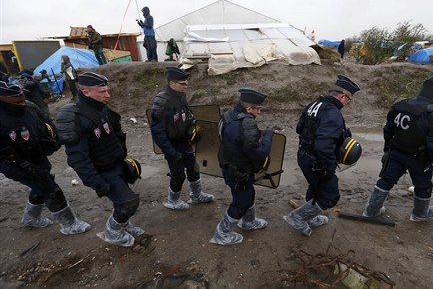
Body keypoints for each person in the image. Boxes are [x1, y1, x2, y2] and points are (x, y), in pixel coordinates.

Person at [55, 72, 143, 247]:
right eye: (102, 91)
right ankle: (112, 233)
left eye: (107, 91)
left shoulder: (101, 108)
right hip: (102, 171)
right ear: (86, 92)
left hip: (115, 164)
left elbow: (114, 135)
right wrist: (95, 182)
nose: (107, 95)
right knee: (128, 202)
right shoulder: (76, 117)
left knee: (125, 200)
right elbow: (78, 158)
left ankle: (124, 225)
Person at [0, 81, 90, 235]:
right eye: (17, 102)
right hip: (16, 164)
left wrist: (55, 139)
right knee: (51, 189)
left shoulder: (30, 106)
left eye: (23, 99)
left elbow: (47, 122)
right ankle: (70, 225)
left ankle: (30, 218)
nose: (22, 104)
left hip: (37, 156)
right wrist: (11, 166)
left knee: (42, 185)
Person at [362, 74, 433, 221]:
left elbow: (388, 131)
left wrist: (387, 151)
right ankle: (419, 214)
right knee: (423, 186)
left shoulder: (401, 104)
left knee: (385, 180)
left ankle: (371, 211)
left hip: (396, 152)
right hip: (419, 159)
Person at [284, 75, 360, 236]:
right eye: (349, 100)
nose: (347, 103)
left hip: (303, 155)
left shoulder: (314, 104)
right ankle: (297, 217)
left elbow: (299, 128)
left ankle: (311, 217)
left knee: (315, 187)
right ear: (342, 96)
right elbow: (323, 145)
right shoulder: (333, 113)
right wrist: (329, 166)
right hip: (317, 161)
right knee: (330, 195)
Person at [209, 88, 273, 246]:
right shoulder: (247, 123)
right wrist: (268, 137)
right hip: (239, 171)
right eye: (258, 109)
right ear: (249, 108)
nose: (259, 113)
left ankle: (248, 222)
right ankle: (221, 234)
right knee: (241, 202)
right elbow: (260, 153)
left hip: (231, 166)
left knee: (249, 194)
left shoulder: (228, 115)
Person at [150, 67, 214, 210]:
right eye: (182, 84)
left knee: (193, 168)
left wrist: (194, 131)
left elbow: (188, 117)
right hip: (172, 145)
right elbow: (157, 131)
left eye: (186, 83)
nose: (186, 86)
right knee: (178, 174)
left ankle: (196, 195)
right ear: (172, 83)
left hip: (185, 142)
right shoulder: (161, 101)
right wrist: (170, 151)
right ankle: (172, 200)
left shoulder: (181, 96)